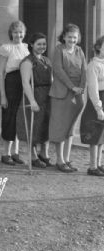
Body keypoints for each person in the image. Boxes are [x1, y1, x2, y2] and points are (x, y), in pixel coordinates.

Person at [49, 23, 86, 173]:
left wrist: (81, 88)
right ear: (64, 37)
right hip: (61, 93)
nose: (72, 39)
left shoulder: (79, 50)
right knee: (60, 127)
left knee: (70, 128)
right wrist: (72, 87)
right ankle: (59, 160)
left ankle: (67, 158)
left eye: (75, 37)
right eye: (69, 36)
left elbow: (84, 70)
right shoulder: (59, 50)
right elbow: (58, 70)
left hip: (76, 94)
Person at [16, 33, 53, 168]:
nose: (42, 46)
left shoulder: (47, 61)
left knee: (45, 125)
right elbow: (25, 83)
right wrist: (32, 101)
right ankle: (33, 156)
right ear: (32, 44)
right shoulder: (27, 62)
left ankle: (44, 154)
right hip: (34, 95)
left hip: (47, 96)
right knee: (34, 126)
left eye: (44, 44)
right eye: (39, 44)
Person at [0, 20, 29, 165]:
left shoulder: (26, 48)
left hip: (23, 83)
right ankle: (5, 154)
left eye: (21, 32)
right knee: (9, 117)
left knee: (19, 118)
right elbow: (0, 73)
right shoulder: (6, 48)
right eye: (16, 32)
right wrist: (3, 95)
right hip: (10, 82)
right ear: (11, 33)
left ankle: (16, 153)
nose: (18, 35)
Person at [80, 35, 104, 176]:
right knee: (95, 133)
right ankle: (92, 166)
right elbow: (93, 89)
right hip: (98, 101)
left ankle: (99, 164)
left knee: (102, 135)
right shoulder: (93, 65)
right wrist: (98, 108)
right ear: (98, 47)